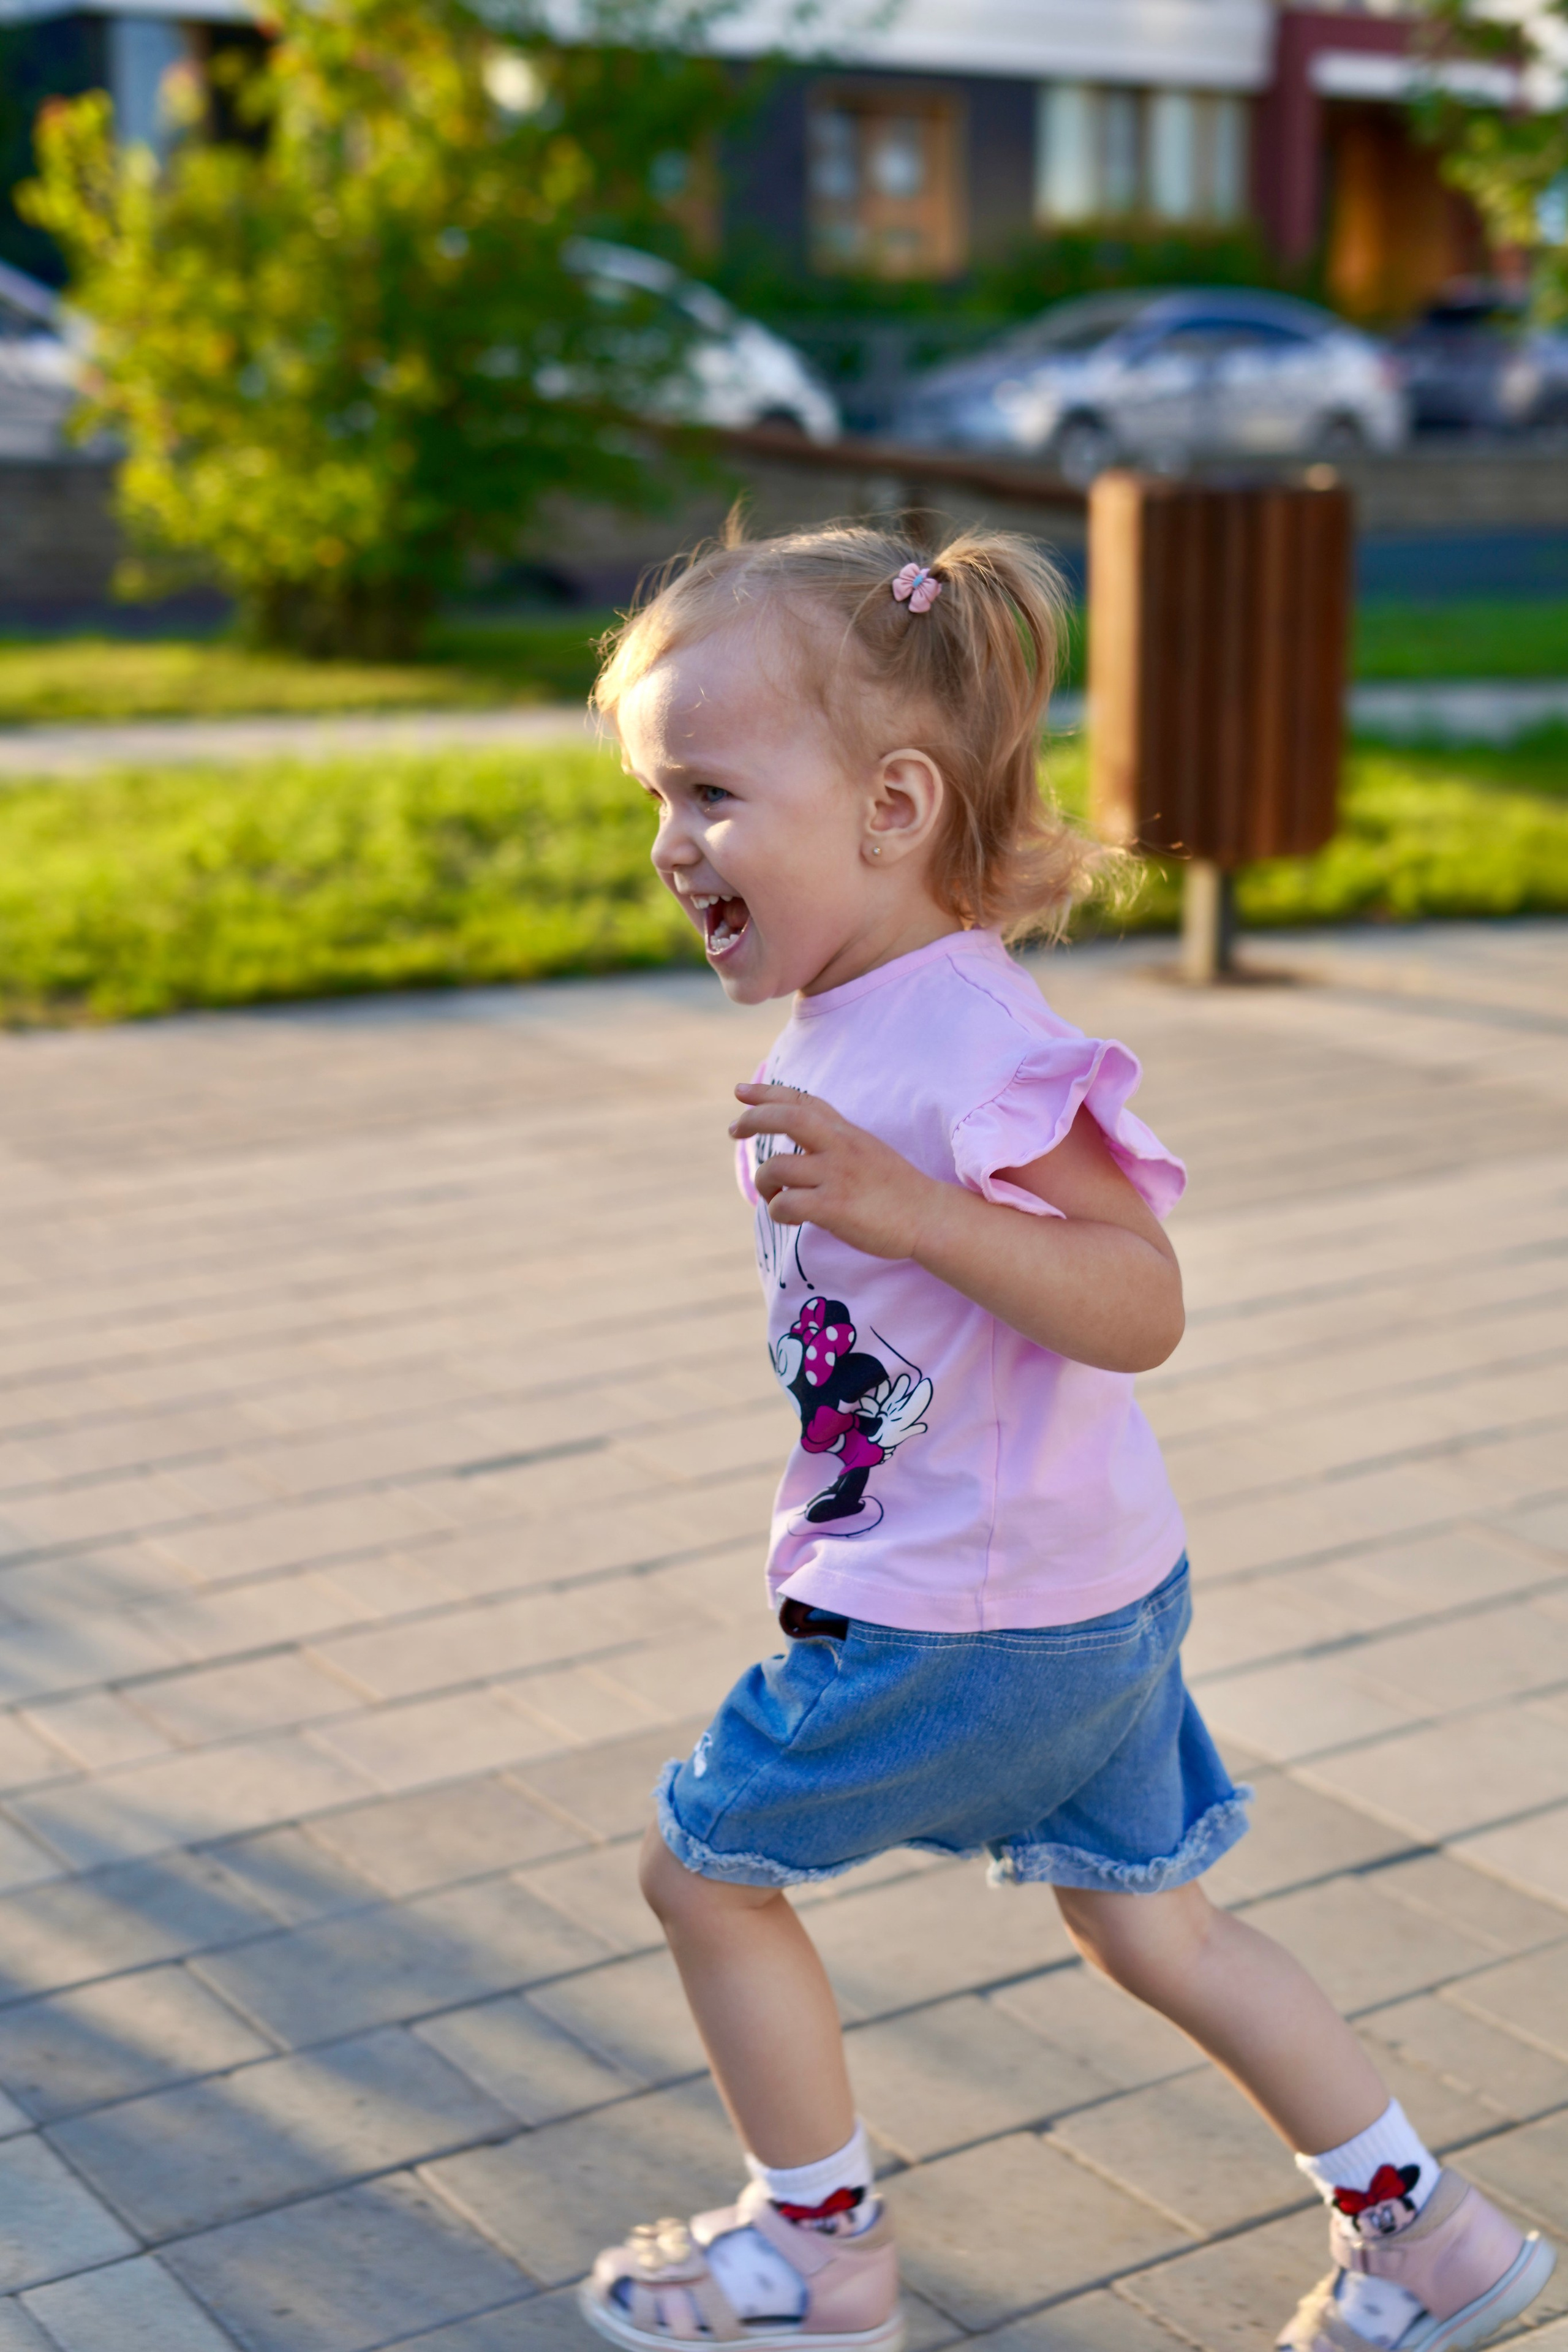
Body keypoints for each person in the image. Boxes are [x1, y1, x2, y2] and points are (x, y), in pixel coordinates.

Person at [577, 521, 1554, 2352]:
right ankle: (1427, 2234)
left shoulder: (961, 1042)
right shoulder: (867, 1018)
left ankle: (819, 2255)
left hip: (970, 1615)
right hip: (1087, 1598)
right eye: (656, 796)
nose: (669, 844)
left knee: (700, 1877)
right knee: (1152, 1927)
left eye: (711, 792)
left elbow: (1141, 1301)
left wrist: (922, 1214)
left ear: (890, 804)